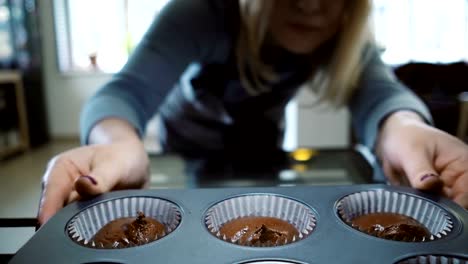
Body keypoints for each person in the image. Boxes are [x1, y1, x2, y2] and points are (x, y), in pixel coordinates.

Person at [38, 0, 468, 225]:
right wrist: (117, 142)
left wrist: (406, 128)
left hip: (263, 146)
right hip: (185, 150)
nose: (310, 4)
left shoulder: (339, 31)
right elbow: (125, 92)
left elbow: (381, 95)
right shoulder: (200, 13)